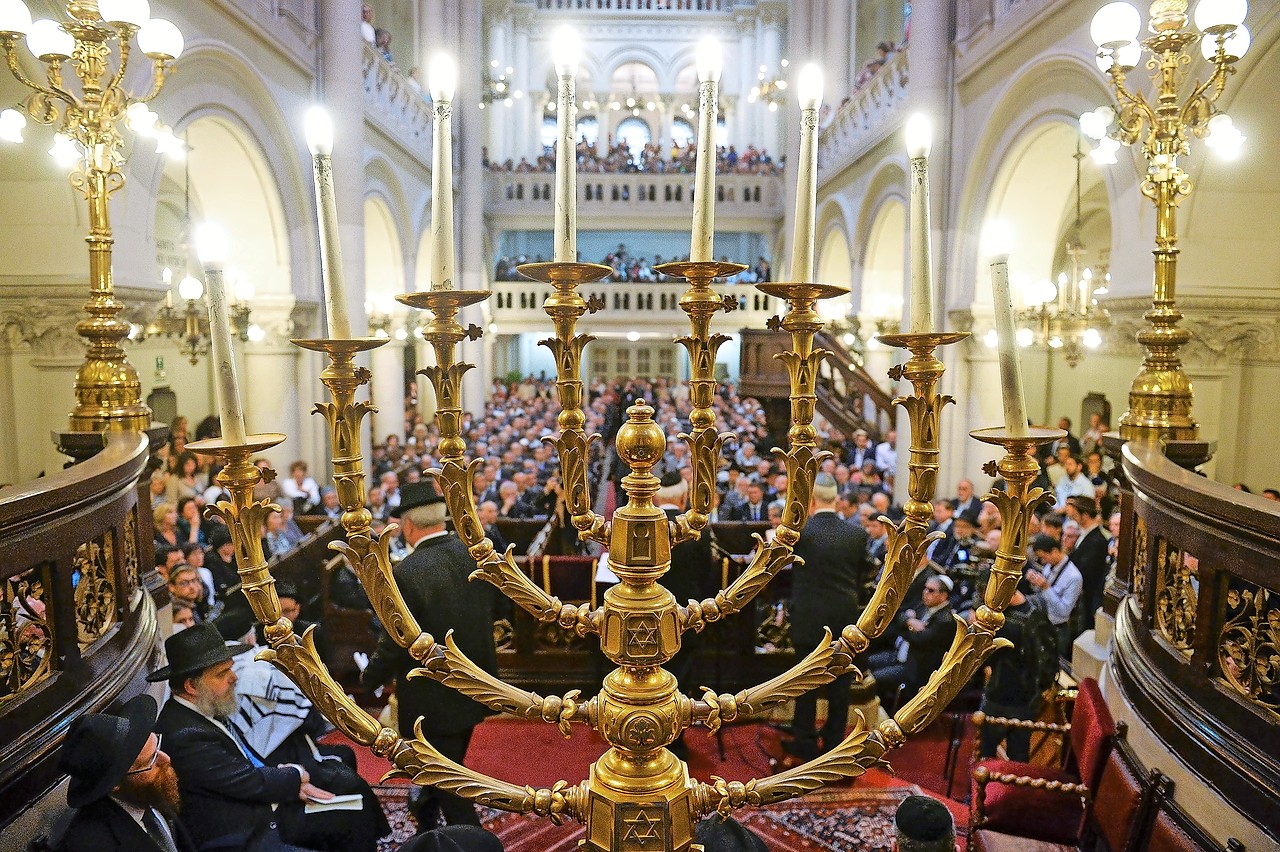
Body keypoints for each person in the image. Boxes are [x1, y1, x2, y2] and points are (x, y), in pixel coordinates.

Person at [362, 482, 498, 828]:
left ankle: (473, 842)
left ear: (407, 525)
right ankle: (425, 825)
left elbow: (397, 638)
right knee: (441, 771)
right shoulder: (472, 555)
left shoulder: (407, 572)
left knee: (448, 783)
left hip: (431, 696)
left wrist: (369, 678)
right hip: (475, 686)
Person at [150, 623, 331, 851]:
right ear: (191, 686)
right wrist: (295, 775)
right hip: (239, 837)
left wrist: (286, 775)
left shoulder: (203, 709)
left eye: (231, 669)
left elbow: (244, 764)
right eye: (222, 673)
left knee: (348, 812)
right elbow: (248, 782)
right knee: (344, 823)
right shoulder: (185, 735)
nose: (234, 678)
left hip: (253, 815)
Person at [785, 473, 871, 760]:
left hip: (808, 616)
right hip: (844, 616)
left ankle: (804, 741)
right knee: (840, 684)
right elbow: (862, 576)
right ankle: (834, 743)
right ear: (836, 499)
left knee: (805, 682)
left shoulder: (801, 533)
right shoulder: (857, 535)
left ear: (811, 501)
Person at [54, 694, 196, 852]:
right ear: (115, 784)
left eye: (157, 747)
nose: (166, 759)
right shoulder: (90, 845)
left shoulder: (152, 793)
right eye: (150, 760)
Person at [869, 575, 955, 709]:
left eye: (931, 590)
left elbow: (920, 640)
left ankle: (878, 714)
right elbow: (900, 615)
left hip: (914, 668)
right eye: (925, 588)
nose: (925, 593)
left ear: (943, 596)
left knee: (873, 680)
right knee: (865, 663)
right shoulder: (924, 606)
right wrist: (909, 622)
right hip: (900, 655)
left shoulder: (945, 620)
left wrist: (905, 625)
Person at [1026, 533, 1083, 658]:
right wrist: (1035, 582)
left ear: (1055, 551)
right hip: (1041, 623)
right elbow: (1041, 592)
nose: (1042, 561)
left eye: (1043, 557)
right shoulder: (1049, 566)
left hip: (1056, 630)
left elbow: (1064, 611)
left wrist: (1046, 587)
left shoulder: (1074, 577)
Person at [1065, 495, 1108, 634]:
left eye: (1076, 515)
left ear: (1085, 515)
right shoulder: (1085, 535)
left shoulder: (1097, 541)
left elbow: (1086, 570)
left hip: (1087, 596)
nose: (1074, 519)